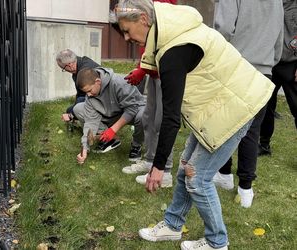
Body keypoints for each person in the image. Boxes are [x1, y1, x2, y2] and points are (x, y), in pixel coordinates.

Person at [114, 1, 274, 249]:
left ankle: (217, 242)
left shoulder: (174, 50)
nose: (125, 37)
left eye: (126, 30)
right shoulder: (172, 31)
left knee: (197, 178)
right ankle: (172, 225)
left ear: (144, 19)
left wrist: (158, 167)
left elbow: (170, 117)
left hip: (239, 107)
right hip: (220, 105)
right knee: (185, 169)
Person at [212, 0, 284, 208]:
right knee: (252, 130)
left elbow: (223, 27)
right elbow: (279, 37)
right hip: (264, 70)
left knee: (226, 124)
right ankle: (245, 188)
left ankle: (225, 174)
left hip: (236, 65)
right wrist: (270, 59)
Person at [121, 0, 177, 188]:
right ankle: (150, 161)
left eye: (127, 32)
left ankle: (166, 171)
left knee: (162, 121)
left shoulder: (162, 5)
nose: (127, 38)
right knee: (149, 118)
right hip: (152, 70)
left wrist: (142, 69)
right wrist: (142, 69)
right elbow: (148, 45)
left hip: (165, 71)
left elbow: (160, 40)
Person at [73, 67, 146, 164]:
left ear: (98, 81)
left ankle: (136, 144)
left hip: (133, 110)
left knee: (143, 116)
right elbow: (90, 122)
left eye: (89, 90)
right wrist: (84, 149)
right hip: (110, 114)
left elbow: (131, 108)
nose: (88, 95)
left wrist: (113, 129)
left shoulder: (119, 82)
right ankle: (110, 140)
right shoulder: (90, 95)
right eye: (86, 92)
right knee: (78, 109)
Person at [259, 0, 297, 156]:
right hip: (270, 61)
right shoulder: (270, 3)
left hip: (292, 63)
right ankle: (264, 144)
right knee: (266, 105)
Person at [56, 49, 100, 122]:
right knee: (71, 108)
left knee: (72, 110)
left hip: (100, 99)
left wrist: (71, 114)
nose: (65, 70)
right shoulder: (80, 64)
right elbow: (81, 93)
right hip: (93, 97)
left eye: (63, 68)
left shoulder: (84, 72)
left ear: (70, 65)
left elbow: (87, 96)